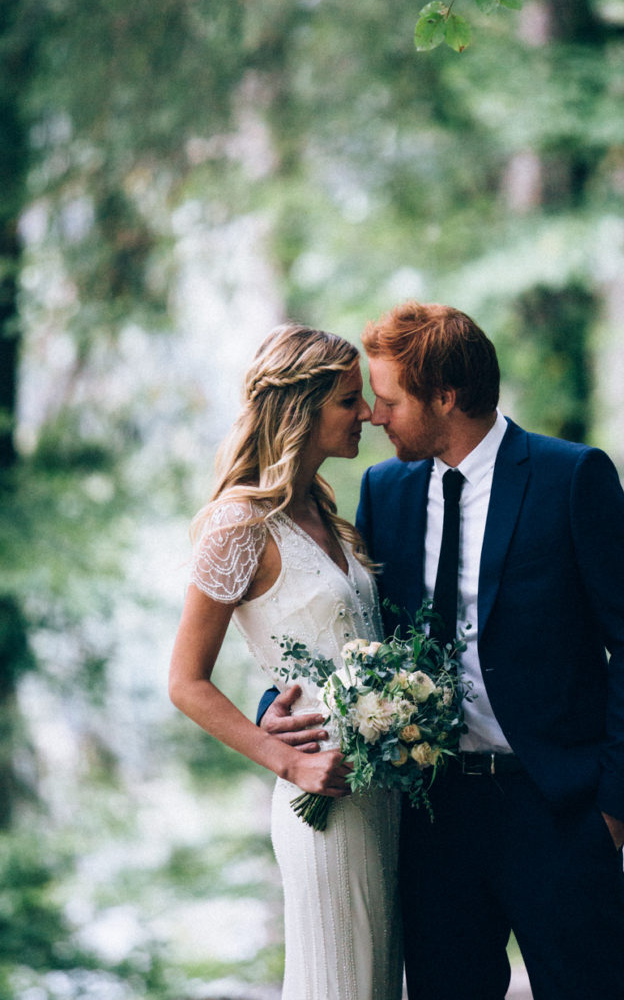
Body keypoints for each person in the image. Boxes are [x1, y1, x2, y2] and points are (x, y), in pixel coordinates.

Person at [261, 301, 624, 1000]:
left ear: (445, 397)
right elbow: (354, 633)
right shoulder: (385, 491)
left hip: (560, 812)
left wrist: (614, 806)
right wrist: (278, 705)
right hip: (432, 817)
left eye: (388, 400)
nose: (375, 416)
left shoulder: (572, 478)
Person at [169, 324, 402, 1000]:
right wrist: (288, 758)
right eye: (349, 400)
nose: (367, 414)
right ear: (299, 408)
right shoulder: (238, 525)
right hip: (322, 797)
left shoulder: (326, 512)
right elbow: (185, 681)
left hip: (381, 796)